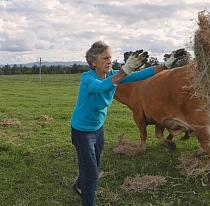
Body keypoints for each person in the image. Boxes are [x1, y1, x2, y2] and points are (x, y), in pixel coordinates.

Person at [70, 40, 186, 206]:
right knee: (92, 174)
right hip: (82, 131)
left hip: (97, 129)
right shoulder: (87, 78)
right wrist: (125, 70)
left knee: (92, 164)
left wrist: (165, 65)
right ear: (93, 62)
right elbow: (102, 87)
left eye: (110, 57)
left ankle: (79, 186)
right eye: (104, 58)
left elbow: (141, 75)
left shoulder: (112, 75)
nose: (109, 61)